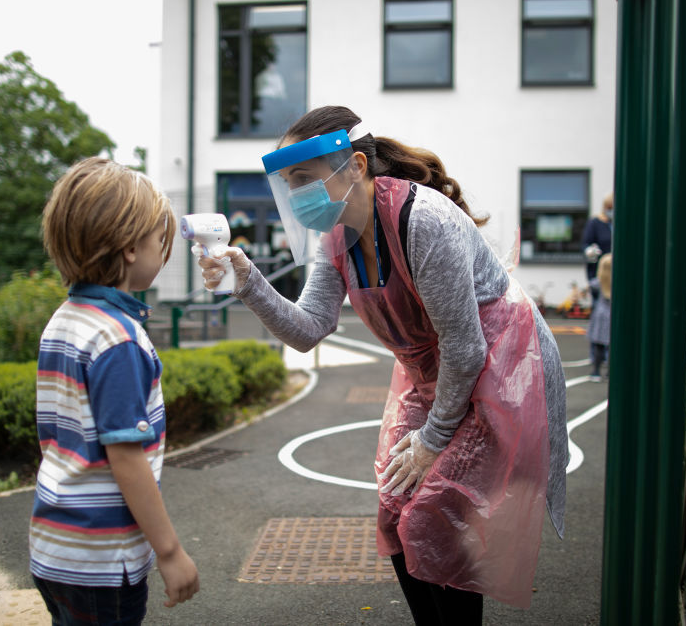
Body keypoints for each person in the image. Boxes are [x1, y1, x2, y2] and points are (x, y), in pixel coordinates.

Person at [194, 106, 568, 621]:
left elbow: (466, 349)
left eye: (304, 177)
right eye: (289, 183)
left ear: (356, 166)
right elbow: (308, 329)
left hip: (501, 364)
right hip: (436, 372)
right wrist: (247, 281)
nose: (297, 193)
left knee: (438, 512)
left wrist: (432, 440)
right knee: (395, 508)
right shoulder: (336, 237)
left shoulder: (424, 221)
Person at [30, 158, 200, 624]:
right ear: (129, 247)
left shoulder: (65, 320)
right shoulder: (118, 339)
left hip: (55, 547)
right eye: (160, 240)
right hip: (103, 561)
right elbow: (126, 456)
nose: (163, 251)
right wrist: (169, 551)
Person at [581, 192, 613, 304]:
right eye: (609, 208)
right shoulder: (595, 223)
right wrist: (589, 251)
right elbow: (585, 244)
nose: (611, 211)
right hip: (600, 274)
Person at [588, 253, 612, 381]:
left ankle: (596, 371)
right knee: (612, 345)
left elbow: (591, 286)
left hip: (600, 315)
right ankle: (610, 372)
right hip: (612, 314)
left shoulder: (598, 282)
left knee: (598, 345)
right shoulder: (618, 281)